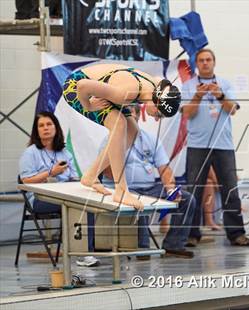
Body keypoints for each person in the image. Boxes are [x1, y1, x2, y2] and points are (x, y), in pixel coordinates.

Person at [62, 63, 181, 209]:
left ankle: (91, 175)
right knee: (118, 124)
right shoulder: (126, 93)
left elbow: (162, 82)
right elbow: (82, 86)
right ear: (155, 103)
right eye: (159, 114)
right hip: (75, 86)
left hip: (104, 85)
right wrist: (89, 105)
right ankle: (121, 190)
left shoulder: (156, 86)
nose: (157, 119)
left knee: (133, 131)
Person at [101, 105, 197, 258]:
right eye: (123, 112)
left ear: (138, 115)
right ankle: (141, 248)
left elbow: (164, 169)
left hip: (149, 188)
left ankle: (173, 245)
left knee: (187, 199)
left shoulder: (151, 139)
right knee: (137, 201)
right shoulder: (110, 139)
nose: (128, 116)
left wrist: (171, 190)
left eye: (131, 111)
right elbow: (106, 171)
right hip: (123, 189)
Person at [181, 48, 249, 246]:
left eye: (208, 60)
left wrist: (220, 95)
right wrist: (196, 97)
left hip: (223, 146)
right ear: (196, 64)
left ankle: (237, 234)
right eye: (201, 60)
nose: (205, 63)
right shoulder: (188, 86)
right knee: (194, 191)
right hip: (197, 146)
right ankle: (191, 235)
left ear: (214, 62)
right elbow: (187, 113)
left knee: (230, 189)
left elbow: (232, 110)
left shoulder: (226, 84)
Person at [19, 112, 99, 267]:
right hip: (39, 199)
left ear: (56, 127)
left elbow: (75, 178)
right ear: (36, 131)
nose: (45, 128)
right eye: (41, 126)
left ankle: (84, 251)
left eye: (49, 124)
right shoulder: (30, 153)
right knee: (77, 206)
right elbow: (26, 180)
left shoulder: (64, 152)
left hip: (65, 195)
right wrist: (51, 172)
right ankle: (81, 254)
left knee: (87, 204)